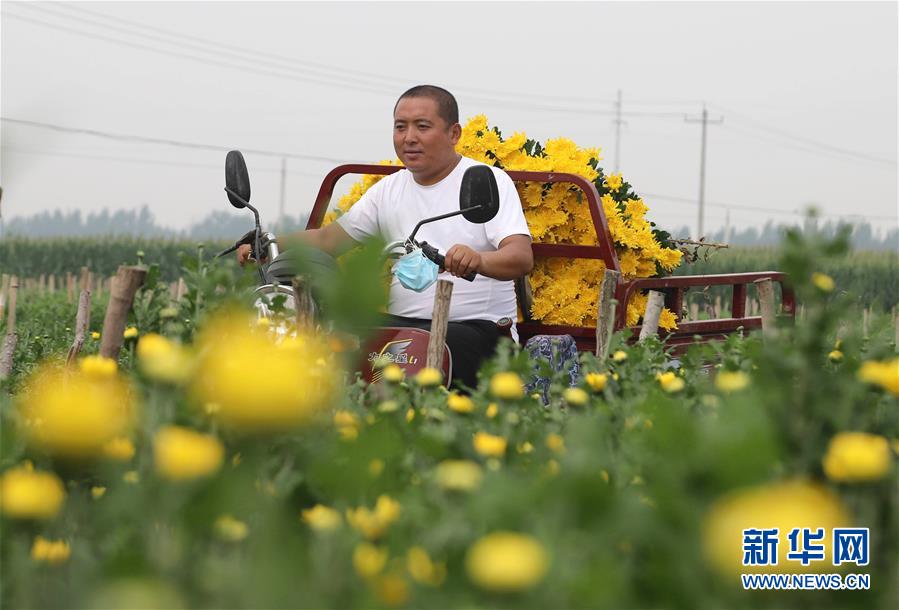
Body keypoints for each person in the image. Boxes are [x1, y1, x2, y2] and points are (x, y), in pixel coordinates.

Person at [239, 85, 533, 389]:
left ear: (454, 133)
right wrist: (268, 242)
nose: (409, 138)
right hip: (401, 329)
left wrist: (479, 259)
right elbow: (329, 240)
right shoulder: (388, 190)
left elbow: (521, 256)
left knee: (427, 351)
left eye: (422, 126)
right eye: (400, 127)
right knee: (332, 341)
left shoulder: (486, 181)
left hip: (476, 328)